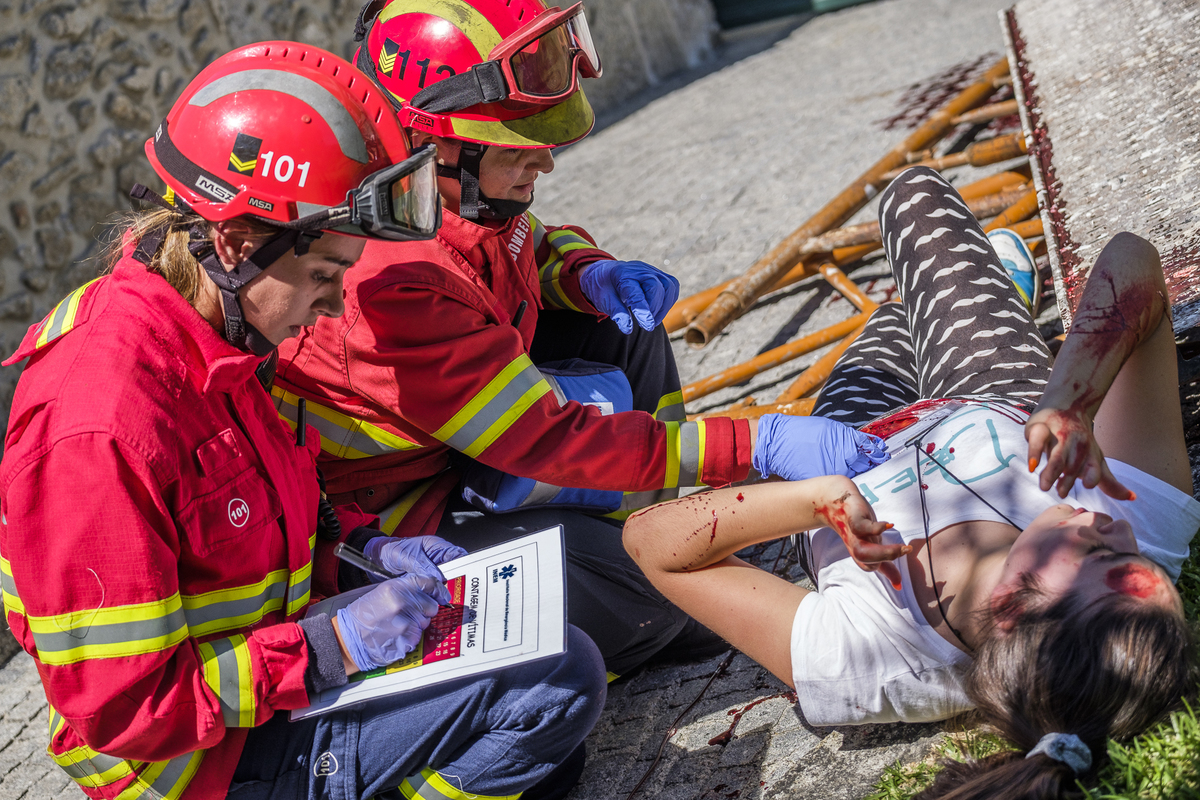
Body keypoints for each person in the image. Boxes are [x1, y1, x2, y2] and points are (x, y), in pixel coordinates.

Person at [0, 43, 604, 800]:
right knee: (556, 687)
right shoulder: (99, 428)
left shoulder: (216, 328)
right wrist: (329, 646)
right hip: (194, 763)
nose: (333, 304)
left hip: (262, 686)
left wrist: (364, 547)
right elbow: (132, 712)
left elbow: (271, 515)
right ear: (235, 244)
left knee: (551, 762)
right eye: (324, 276)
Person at [270, 0, 877, 678]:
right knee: (672, 601)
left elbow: (518, 249)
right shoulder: (394, 280)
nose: (547, 167)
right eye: (519, 152)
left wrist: (590, 276)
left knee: (619, 326)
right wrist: (753, 444)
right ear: (439, 149)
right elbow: (554, 442)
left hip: (464, 455)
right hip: (398, 524)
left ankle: (675, 518)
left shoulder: (455, 198)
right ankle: (633, 575)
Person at [623, 166, 1199, 797]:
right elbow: (1133, 263)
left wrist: (810, 497)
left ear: (1008, 605)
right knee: (913, 194)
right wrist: (1071, 396)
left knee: (881, 339)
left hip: (854, 438)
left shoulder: (866, 662)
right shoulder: (1141, 532)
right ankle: (958, 310)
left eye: (1094, 550)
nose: (1108, 524)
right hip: (992, 392)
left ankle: (913, 319)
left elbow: (652, 545)